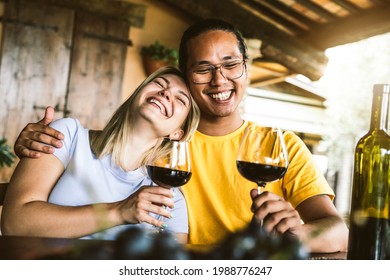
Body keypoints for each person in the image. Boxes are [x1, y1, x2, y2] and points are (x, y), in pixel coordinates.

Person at [12, 19, 348, 253]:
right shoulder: (162, 152)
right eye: (203, 68)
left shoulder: (282, 146)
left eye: (230, 64)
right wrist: (38, 140)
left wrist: (295, 236)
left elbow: (338, 233)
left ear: (246, 67)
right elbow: (106, 152)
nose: (219, 80)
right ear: (188, 76)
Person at [2, 66, 200, 244]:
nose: (166, 93)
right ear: (138, 94)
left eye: (180, 99)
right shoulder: (67, 136)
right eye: (159, 83)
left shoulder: (169, 200)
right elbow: (14, 223)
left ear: (176, 133)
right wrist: (119, 211)